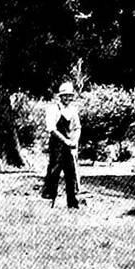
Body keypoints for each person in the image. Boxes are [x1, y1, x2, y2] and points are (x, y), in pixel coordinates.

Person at [42, 81, 81, 211]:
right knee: (54, 171)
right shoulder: (53, 109)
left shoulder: (73, 110)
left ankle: (72, 202)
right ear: (60, 96)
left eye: (69, 96)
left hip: (70, 145)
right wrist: (65, 141)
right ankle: (49, 199)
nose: (67, 98)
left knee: (71, 173)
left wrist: (75, 140)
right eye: (65, 96)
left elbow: (77, 127)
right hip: (57, 145)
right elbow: (51, 129)